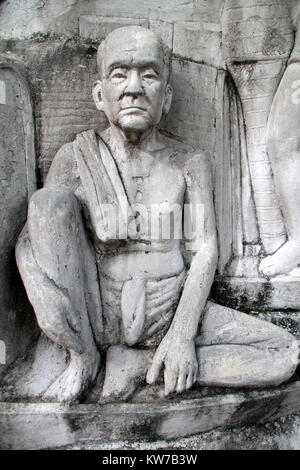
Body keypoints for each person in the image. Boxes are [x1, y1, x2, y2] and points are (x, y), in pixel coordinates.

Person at [16, 26, 299, 403]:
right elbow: (34, 237)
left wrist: (182, 333)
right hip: (97, 313)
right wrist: (50, 308)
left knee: (283, 353)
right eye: (119, 74)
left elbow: (203, 250)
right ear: (100, 95)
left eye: (148, 75)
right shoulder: (77, 157)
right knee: (48, 201)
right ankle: (85, 359)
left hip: (170, 307)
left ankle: (138, 366)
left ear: (165, 97)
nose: (133, 87)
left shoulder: (188, 162)